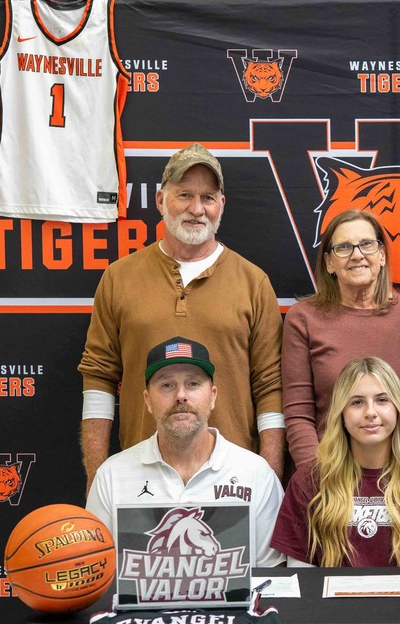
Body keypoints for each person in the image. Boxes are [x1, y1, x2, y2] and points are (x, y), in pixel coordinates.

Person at [79, 143, 285, 491]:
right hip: (139, 479)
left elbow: (270, 387)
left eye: (208, 197)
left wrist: (270, 479)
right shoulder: (119, 278)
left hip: (231, 483)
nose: (196, 208)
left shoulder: (253, 282)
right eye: (184, 194)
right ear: (160, 201)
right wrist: (98, 477)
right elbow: (99, 378)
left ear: (221, 205)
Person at [86, 336, 283, 568]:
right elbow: (95, 572)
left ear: (213, 396)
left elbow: (271, 576)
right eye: (166, 385)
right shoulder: (112, 475)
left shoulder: (255, 473)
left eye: (193, 383)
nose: (181, 395)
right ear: (148, 401)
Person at [272, 357, 400, 567]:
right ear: (341, 414)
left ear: (398, 408)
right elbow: (302, 580)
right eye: (357, 402)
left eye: (382, 400)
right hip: (328, 600)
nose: (371, 413)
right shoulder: (309, 480)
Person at [281, 210, 400, 468]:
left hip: (399, 473)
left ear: (382, 255)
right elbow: (298, 414)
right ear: (329, 263)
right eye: (344, 247)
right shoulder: (302, 318)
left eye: (367, 244)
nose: (357, 255)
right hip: (329, 471)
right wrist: (315, 476)